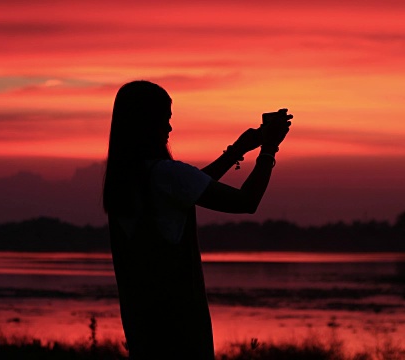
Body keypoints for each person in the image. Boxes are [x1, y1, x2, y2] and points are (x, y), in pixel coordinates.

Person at [102, 80, 292, 359]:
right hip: (181, 331)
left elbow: (192, 186)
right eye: (164, 119)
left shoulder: (127, 179)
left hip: (144, 332)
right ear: (145, 123)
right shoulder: (166, 175)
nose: (169, 129)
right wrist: (269, 150)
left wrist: (237, 150)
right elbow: (245, 202)